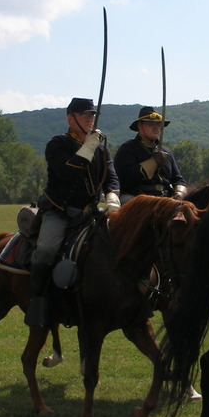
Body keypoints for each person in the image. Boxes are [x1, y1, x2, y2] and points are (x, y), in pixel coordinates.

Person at [25, 97, 121, 328]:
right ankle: (38, 302)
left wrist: (112, 199)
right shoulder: (57, 144)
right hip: (60, 211)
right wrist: (88, 146)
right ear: (71, 118)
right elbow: (69, 173)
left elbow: (111, 176)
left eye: (93, 116)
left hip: (90, 212)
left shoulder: (100, 147)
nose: (91, 120)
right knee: (46, 250)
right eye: (86, 115)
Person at [113, 107, 186, 203]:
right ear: (140, 125)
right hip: (136, 198)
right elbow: (125, 178)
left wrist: (180, 193)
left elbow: (178, 179)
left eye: (158, 123)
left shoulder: (167, 152)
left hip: (165, 198)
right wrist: (153, 162)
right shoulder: (128, 149)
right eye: (150, 124)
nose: (156, 127)